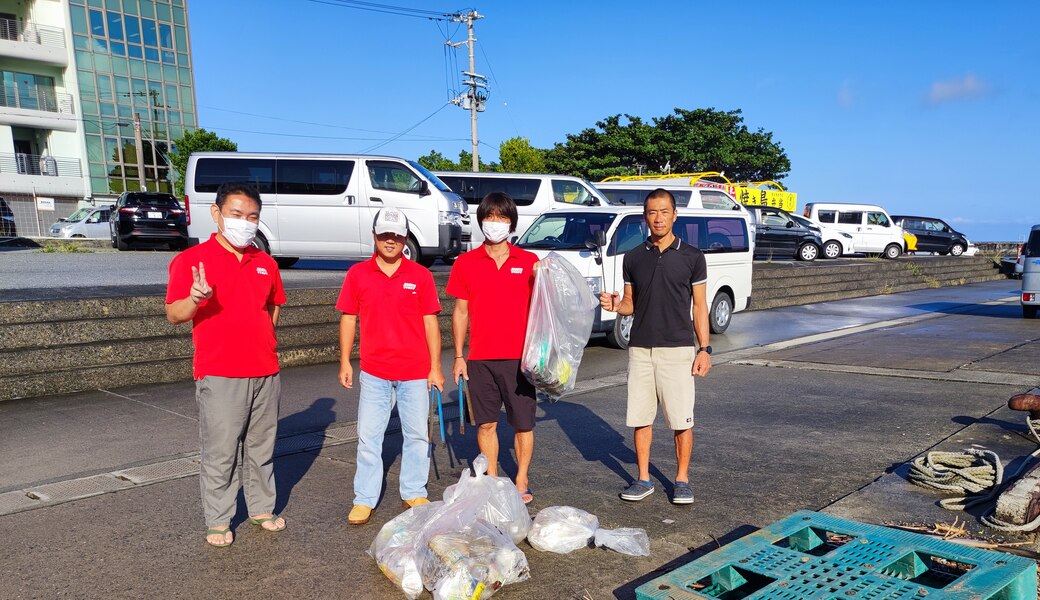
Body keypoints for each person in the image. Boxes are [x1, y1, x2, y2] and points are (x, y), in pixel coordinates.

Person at [165, 182, 287, 547]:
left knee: (262, 447)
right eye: (236, 214)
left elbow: (273, 306)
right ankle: (218, 519)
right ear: (216, 213)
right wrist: (195, 297)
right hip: (219, 372)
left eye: (252, 216)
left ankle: (262, 508)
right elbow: (174, 314)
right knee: (221, 450)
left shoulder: (265, 263)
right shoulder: (190, 261)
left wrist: (262, 338)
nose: (245, 223)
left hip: (265, 369)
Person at [599, 188, 712, 505]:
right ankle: (643, 478)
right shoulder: (633, 258)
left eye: (664, 211)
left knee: (681, 419)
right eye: (652, 212)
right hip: (640, 350)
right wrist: (615, 305)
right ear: (645, 217)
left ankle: (682, 480)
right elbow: (630, 305)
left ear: (674, 215)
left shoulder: (692, 257)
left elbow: (700, 307)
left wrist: (704, 349)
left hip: (678, 350)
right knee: (640, 417)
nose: (658, 217)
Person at [337, 207, 444, 525]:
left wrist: (435, 367)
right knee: (369, 437)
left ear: (405, 238)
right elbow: (348, 318)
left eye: (396, 235)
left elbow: (431, 324)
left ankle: (413, 490)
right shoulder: (357, 274)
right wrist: (345, 360)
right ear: (374, 236)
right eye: (384, 234)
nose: (390, 240)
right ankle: (364, 498)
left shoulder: (420, 275)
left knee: (416, 436)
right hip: (374, 371)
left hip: (414, 372)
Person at [448, 192, 539, 504]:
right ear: (481, 221)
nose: (495, 224)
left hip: (520, 359)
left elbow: (546, 309)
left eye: (502, 218)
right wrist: (459, 355)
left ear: (511, 223)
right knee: (486, 423)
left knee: (523, 423)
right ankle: (493, 481)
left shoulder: (529, 262)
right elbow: (460, 312)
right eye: (490, 217)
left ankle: (522, 479)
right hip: (481, 359)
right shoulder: (465, 263)